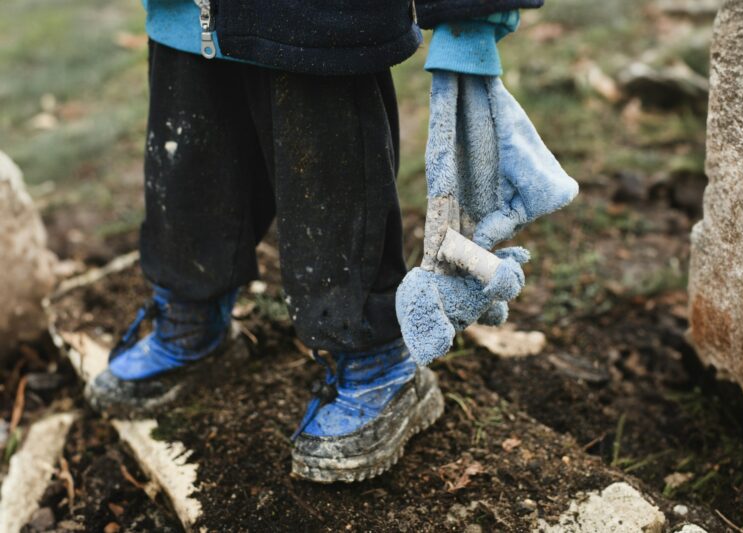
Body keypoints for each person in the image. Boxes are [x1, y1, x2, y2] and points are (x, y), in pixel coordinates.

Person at [87, 0, 543, 483]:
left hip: (323, 25)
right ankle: (190, 325)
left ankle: (377, 365)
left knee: (333, 203)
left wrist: (471, 20)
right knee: (188, 183)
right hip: (185, 18)